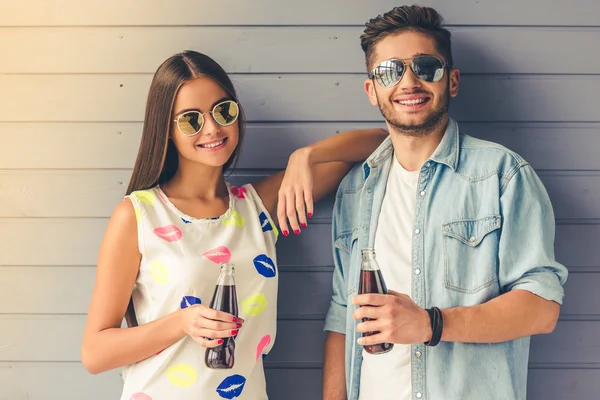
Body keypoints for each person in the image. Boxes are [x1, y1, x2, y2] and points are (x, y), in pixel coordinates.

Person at [80, 50, 388, 400]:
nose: (212, 128)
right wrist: (182, 323)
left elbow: (378, 143)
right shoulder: (138, 215)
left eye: (223, 110)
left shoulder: (258, 207)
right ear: (166, 130)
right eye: (190, 120)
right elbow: (95, 352)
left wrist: (305, 156)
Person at [322, 5, 568, 400]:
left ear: (451, 81)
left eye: (426, 66)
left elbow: (542, 308)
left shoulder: (503, 174)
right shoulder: (355, 189)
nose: (408, 81)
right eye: (389, 70)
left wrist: (431, 324)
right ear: (372, 90)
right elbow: (341, 315)